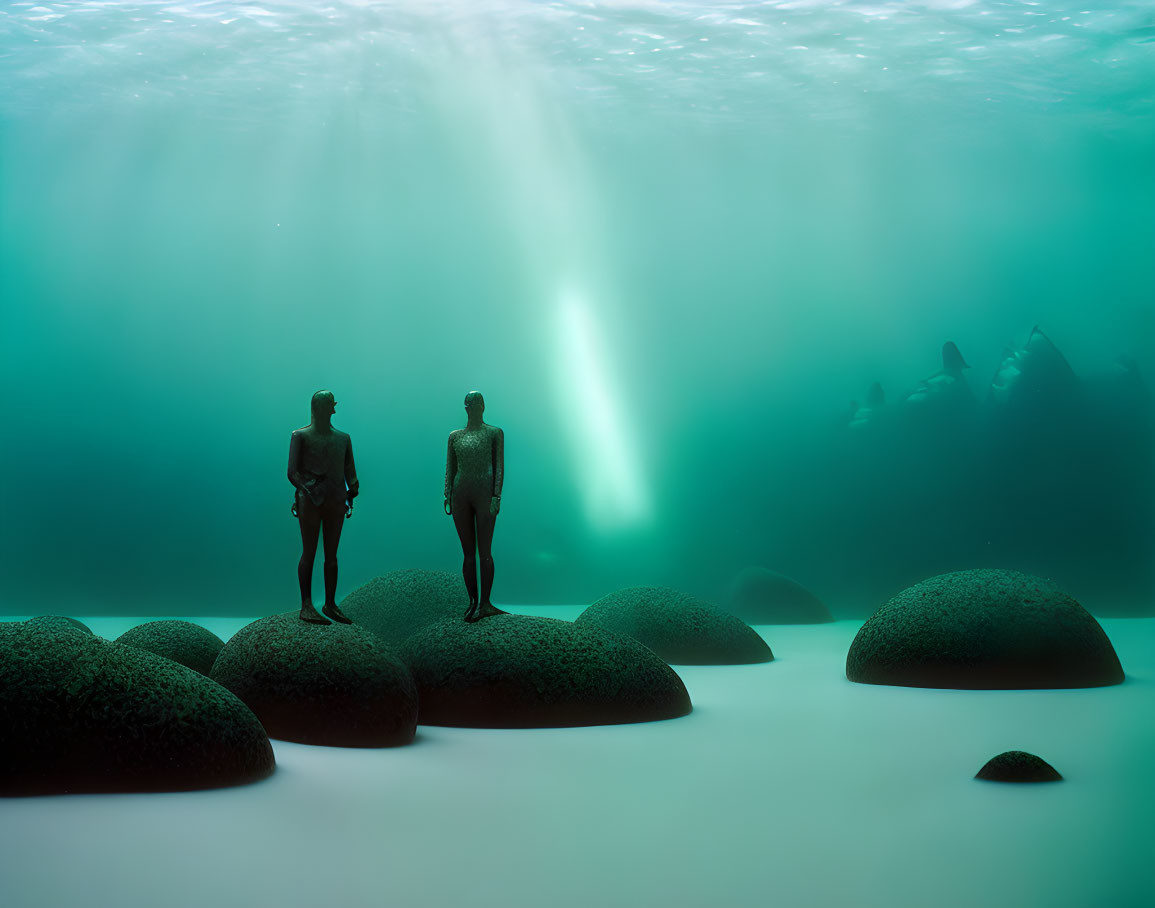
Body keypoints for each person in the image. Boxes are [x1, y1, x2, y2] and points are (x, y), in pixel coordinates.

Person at [288, 390, 358, 624]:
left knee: (331, 556)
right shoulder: (301, 436)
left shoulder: (343, 439)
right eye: (330, 405)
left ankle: (330, 603)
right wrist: (309, 490)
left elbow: (350, 471)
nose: (334, 410)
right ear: (319, 408)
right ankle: (306, 604)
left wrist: (352, 490)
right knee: (309, 553)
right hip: (312, 500)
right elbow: (292, 472)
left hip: (335, 499)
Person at [444, 391, 504, 622]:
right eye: (472, 403)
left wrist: (496, 496)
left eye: (480, 403)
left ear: (484, 407)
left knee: (485, 552)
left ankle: (485, 603)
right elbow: (451, 467)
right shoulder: (455, 437)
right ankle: (472, 602)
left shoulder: (494, 433)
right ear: (466, 407)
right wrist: (447, 494)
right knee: (468, 554)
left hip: (484, 495)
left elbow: (498, 467)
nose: (477, 406)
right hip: (461, 495)